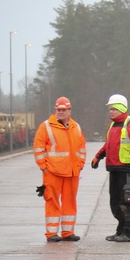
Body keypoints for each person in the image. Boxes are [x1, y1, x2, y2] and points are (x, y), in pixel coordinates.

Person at [90, 94, 130, 242]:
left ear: (122, 109)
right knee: (115, 201)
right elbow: (108, 145)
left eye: (114, 109)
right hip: (114, 168)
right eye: (110, 109)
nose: (111, 111)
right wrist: (98, 156)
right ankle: (121, 230)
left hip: (128, 167)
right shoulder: (113, 126)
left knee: (126, 200)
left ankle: (129, 233)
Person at [33, 96, 87, 242]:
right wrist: (44, 168)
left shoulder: (76, 127)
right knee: (52, 200)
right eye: (58, 110)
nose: (61, 112)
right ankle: (51, 233)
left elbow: (82, 147)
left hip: (72, 172)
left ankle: (68, 232)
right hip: (53, 172)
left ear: (69, 110)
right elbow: (38, 148)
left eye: (64, 110)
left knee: (70, 201)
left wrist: (80, 164)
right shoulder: (46, 126)